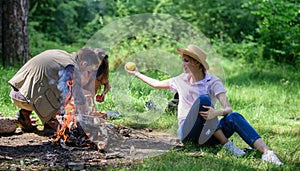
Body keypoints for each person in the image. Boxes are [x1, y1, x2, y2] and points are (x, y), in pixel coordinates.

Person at [124, 44, 283, 165]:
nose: (183, 64)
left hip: (210, 133)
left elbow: (228, 108)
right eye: (183, 60)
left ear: (197, 64)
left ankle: (267, 153)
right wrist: (136, 73)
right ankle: (227, 145)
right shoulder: (180, 80)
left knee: (234, 117)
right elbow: (156, 83)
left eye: (186, 61)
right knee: (204, 100)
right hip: (188, 133)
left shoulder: (212, 81)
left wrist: (217, 113)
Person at [9, 47, 101, 132]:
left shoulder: (62, 55)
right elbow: (76, 94)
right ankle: (50, 122)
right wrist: (87, 114)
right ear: (83, 64)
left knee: (49, 85)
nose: (89, 74)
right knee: (65, 98)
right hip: (26, 99)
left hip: (16, 92)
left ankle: (25, 116)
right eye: (89, 71)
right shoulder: (71, 67)